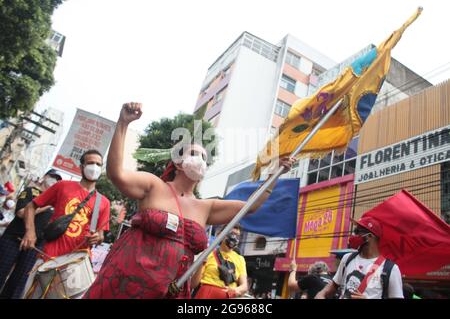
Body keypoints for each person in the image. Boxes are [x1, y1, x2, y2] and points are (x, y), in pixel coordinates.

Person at [83, 102, 295, 299]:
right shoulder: (154, 186)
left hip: (170, 291)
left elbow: (253, 205)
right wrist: (123, 123)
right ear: (177, 162)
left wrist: (275, 173)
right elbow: (116, 174)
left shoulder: (207, 207)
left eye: (204, 158)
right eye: (194, 154)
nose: (200, 160)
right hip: (126, 281)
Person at [20, 150, 111, 298]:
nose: (94, 167)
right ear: (81, 167)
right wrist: (30, 232)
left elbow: (100, 235)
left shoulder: (104, 202)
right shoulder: (62, 186)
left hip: (76, 265)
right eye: (90, 163)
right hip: (48, 257)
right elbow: (31, 206)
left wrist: (97, 237)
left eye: (98, 164)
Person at [0, 170, 61, 299]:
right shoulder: (30, 191)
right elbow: (21, 212)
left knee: (19, 281)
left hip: (34, 246)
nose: (54, 180)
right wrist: (46, 204)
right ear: (45, 177)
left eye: (58, 179)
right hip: (14, 239)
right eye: (53, 177)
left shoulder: (56, 203)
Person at [315, 216, 404, 299]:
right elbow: (334, 284)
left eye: (357, 232)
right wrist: (322, 293)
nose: (353, 235)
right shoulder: (347, 258)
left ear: (369, 236)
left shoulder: (390, 269)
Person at [192, 224, 247, 299]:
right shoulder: (208, 254)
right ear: (221, 234)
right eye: (232, 234)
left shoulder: (240, 259)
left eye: (237, 236)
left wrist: (235, 290)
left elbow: (244, 286)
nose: (234, 238)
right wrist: (201, 264)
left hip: (228, 295)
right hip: (206, 294)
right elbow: (193, 284)